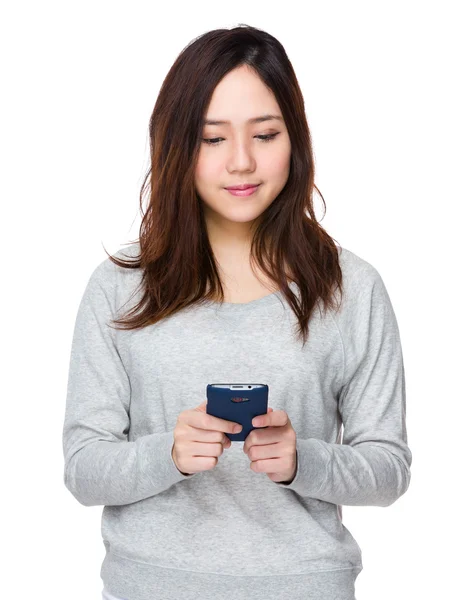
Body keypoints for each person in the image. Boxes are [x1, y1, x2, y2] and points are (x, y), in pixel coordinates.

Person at [63, 24, 412, 600]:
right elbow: (82, 468)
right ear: (177, 146)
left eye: (266, 134)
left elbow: (389, 469)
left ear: (294, 139)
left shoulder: (353, 288)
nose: (242, 162)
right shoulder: (119, 288)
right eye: (212, 139)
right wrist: (168, 454)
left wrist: (305, 460)